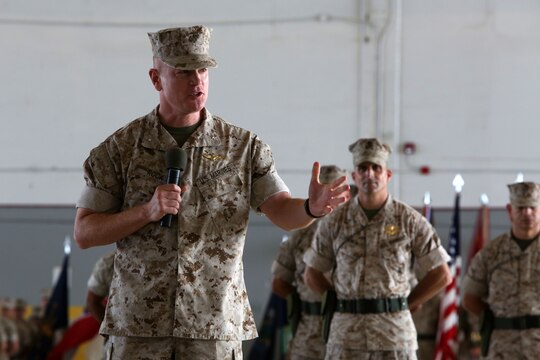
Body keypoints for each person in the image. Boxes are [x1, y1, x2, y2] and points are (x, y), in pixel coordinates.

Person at [73, 25, 349, 360]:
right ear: (156, 79)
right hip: (138, 327)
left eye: (203, 70)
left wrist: (310, 208)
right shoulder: (119, 150)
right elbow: (84, 233)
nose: (197, 81)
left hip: (213, 326)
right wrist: (146, 212)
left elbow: (281, 211)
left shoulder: (244, 148)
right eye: (183, 72)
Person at [303, 138, 452, 360]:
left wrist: (407, 303)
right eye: (362, 168)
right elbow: (312, 273)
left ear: (387, 175)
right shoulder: (335, 222)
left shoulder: (409, 220)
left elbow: (442, 275)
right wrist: (336, 299)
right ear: (354, 176)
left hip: (394, 336)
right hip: (346, 337)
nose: (369, 174)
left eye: (376, 168)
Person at [271, 165, 350, 360]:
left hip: (349, 330)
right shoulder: (300, 234)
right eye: (326, 192)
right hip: (309, 332)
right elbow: (279, 283)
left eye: (336, 193)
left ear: (346, 196)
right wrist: (302, 302)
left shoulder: (358, 232)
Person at [462, 181, 540, 359]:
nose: (526, 213)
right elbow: (469, 298)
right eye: (520, 208)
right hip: (503, 347)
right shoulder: (491, 253)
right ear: (509, 210)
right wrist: (495, 318)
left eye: (532, 207)